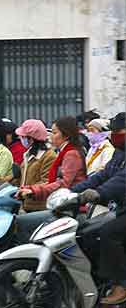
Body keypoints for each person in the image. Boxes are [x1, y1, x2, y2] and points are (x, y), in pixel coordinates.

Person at [71, 112, 126, 305]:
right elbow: (103, 175)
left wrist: (98, 193)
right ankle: (100, 278)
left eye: (118, 131)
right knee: (87, 231)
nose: (113, 135)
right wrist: (73, 191)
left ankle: (121, 284)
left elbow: (120, 181)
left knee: (110, 232)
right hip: (121, 208)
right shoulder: (120, 152)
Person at [17, 116, 86, 201]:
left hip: (69, 203)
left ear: (66, 135)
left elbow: (63, 183)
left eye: (54, 133)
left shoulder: (71, 154)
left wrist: (34, 190)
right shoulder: (63, 152)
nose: (50, 136)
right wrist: (30, 188)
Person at [15, 119, 57, 212]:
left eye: (23, 137)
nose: (21, 139)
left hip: (39, 207)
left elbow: (47, 181)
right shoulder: (28, 154)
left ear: (32, 138)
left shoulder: (49, 156)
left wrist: (28, 190)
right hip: (26, 204)